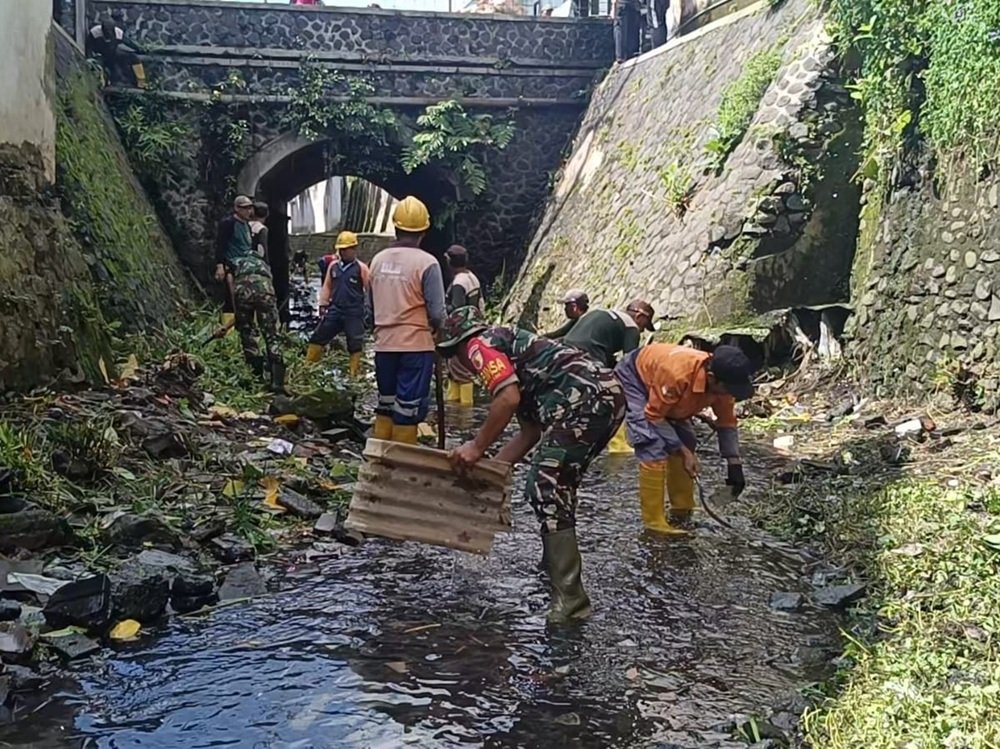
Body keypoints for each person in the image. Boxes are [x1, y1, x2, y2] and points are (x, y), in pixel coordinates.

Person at [438, 306, 625, 623]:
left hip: (584, 400)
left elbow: (507, 399)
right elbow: (529, 433)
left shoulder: (479, 344)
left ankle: (571, 601)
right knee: (559, 485)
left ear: (458, 345)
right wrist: (490, 472)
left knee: (544, 487)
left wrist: (476, 446)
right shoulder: (518, 356)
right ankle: (552, 568)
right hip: (605, 395)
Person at [614, 343, 753, 535]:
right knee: (652, 444)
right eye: (727, 389)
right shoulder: (677, 374)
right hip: (636, 379)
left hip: (667, 390)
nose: (729, 394)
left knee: (688, 439)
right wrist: (684, 452)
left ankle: (682, 507)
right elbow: (654, 416)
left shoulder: (725, 384)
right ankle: (654, 521)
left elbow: (727, 422)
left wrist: (734, 464)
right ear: (711, 378)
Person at [366, 196, 446, 444]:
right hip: (416, 345)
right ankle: (401, 459)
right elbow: (437, 312)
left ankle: (378, 457)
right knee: (408, 409)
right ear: (423, 231)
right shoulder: (428, 263)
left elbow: (369, 308)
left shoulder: (377, 261)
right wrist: (439, 331)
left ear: (396, 227)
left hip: (384, 344)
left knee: (386, 403)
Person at [563, 299, 656, 454]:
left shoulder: (603, 313)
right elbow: (630, 365)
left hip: (564, 352)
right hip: (589, 356)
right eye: (643, 326)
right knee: (614, 396)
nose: (641, 331)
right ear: (639, 316)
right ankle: (614, 441)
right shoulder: (631, 326)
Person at [214, 196, 285, 392]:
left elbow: (235, 297)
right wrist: (220, 264)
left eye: (250, 208)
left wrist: (228, 324)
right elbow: (220, 245)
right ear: (237, 209)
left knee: (247, 332)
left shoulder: (238, 262)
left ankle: (256, 377)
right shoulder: (258, 260)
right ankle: (277, 383)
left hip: (243, 289)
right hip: (265, 291)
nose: (249, 211)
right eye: (245, 208)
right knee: (272, 333)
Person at [307, 231, 370, 378]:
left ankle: (354, 374)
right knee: (318, 336)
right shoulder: (333, 266)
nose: (342, 252)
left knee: (355, 343)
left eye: (346, 249)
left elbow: (370, 289)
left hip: (354, 312)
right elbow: (327, 286)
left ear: (354, 249)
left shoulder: (361, 268)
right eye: (341, 249)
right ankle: (308, 367)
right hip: (336, 309)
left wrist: (369, 310)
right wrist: (323, 304)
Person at [443, 245, 484, 407]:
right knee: (456, 373)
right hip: (474, 329)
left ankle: (465, 412)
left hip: (460, 334)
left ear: (449, 261)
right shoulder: (471, 277)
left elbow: (457, 309)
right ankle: (453, 407)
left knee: (461, 372)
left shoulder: (459, 283)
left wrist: (441, 307)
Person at [85, 17, 147, 89]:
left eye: (110, 32)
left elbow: (129, 43)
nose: (108, 34)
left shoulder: (118, 33)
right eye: (106, 32)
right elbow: (88, 46)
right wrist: (90, 58)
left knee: (134, 58)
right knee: (99, 66)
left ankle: (141, 82)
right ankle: (101, 84)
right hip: (100, 55)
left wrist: (140, 49)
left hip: (114, 54)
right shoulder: (95, 32)